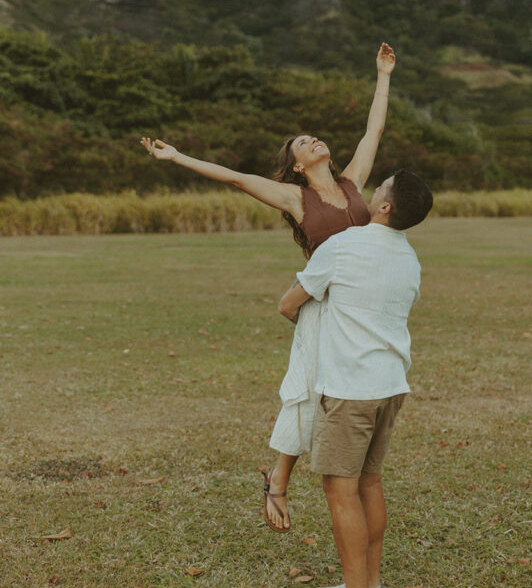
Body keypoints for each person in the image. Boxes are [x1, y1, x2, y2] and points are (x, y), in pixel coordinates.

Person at [140, 43, 395, 531]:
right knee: (306, 392)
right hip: (325, 306)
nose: (313, 140)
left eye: (315, 136)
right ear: (298, 164)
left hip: (366, 307)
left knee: (349, 395)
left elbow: (374, 130)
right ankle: (277, 482)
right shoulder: (294, 197)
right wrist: (177, 158)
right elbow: (237, 179)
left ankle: (334, 475)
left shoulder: (352, 183)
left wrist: (382, 75)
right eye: (303, 142)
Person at [278, 169, 433, 588]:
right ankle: (370, 585)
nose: (368, 193)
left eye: (379, 188)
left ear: (385, 207)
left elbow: (289, 305)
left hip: (350, 390)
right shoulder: (409, 257)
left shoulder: (342, 247)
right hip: (389, 386)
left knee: (340, 491)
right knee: (369, 482)